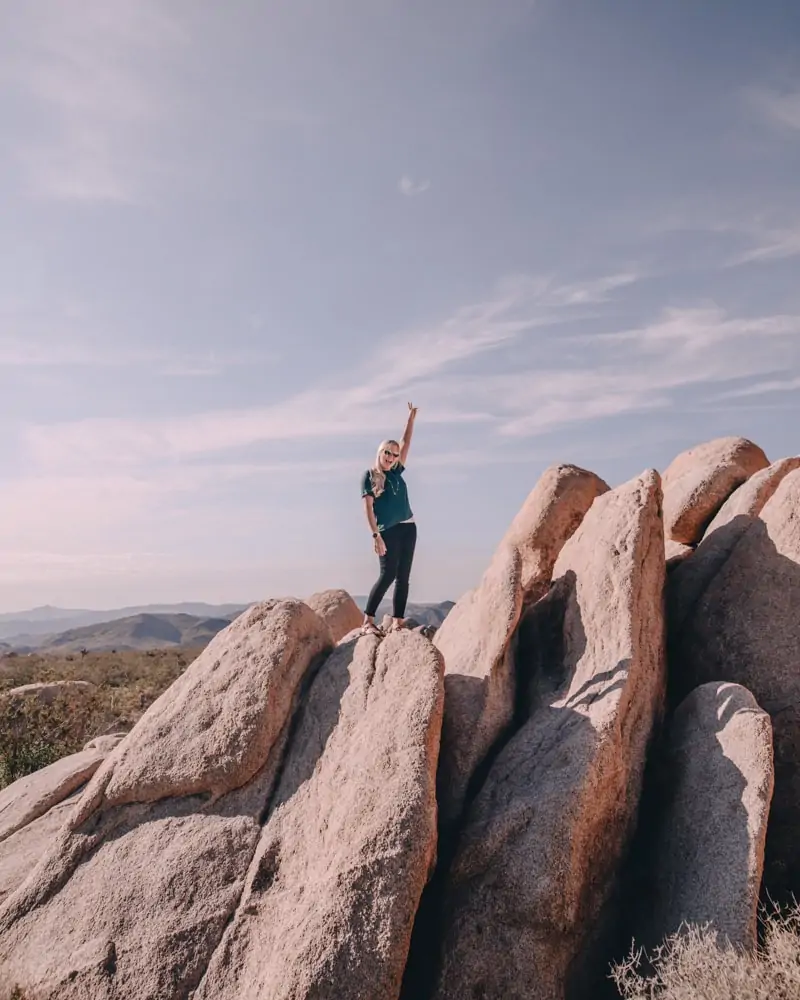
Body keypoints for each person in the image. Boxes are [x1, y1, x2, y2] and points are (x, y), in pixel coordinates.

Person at [360, 402, 418, 636]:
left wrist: (410, 420)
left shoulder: (395, 472)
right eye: (387, 453)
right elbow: (368, 508)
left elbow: (406, 444)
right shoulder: (370, 476)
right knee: (387, 575)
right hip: (387, 531)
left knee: (404, 576)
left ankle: (397, 621)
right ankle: (368, 620)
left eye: (394, 455)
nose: (391, 457)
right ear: (380, 452)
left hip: (409, 528)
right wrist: (375, 535)